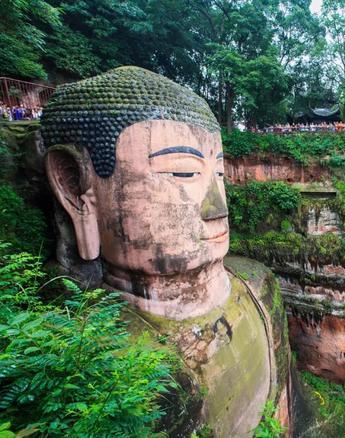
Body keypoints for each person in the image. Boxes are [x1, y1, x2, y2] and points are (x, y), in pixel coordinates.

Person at [41, 66, 287, 437]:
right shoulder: (111, 376)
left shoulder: (257, 285)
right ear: (76, 188)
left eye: (219, 175)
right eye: (183, 173)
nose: (218, 208)